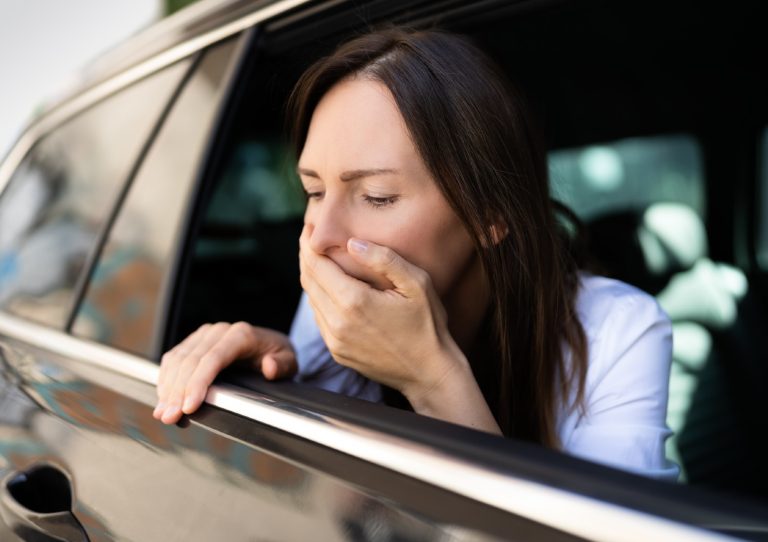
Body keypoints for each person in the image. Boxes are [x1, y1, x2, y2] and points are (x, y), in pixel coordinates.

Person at [153, 27, 678, 480]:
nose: (318, 237)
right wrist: (283, 370)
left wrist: (434, 379)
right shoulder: (341, 291)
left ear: (489, 211)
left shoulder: (618, 332)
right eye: (313, 192)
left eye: (376, 196)